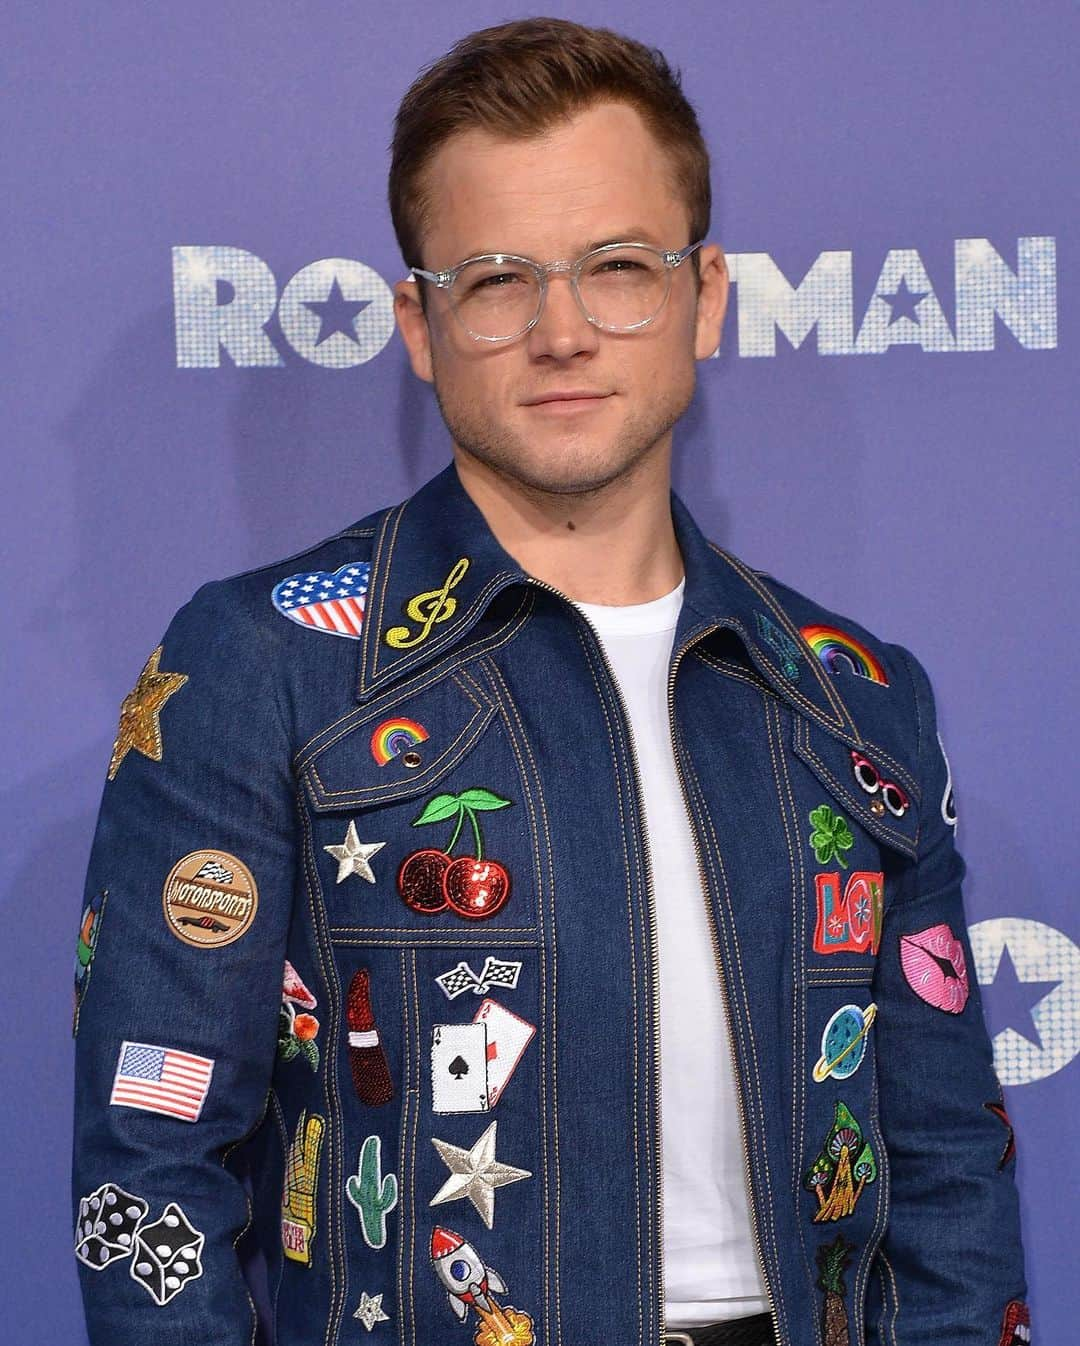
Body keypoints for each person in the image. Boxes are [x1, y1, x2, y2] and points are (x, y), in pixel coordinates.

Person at [72, 17, 1029, 1346]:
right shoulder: (264, 662)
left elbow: (943, 1168)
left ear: (707, 296)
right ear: (420, 322)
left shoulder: (855, 698)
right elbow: (150, 1159)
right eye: (498, 278)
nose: (563, 330)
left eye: (620, 266)